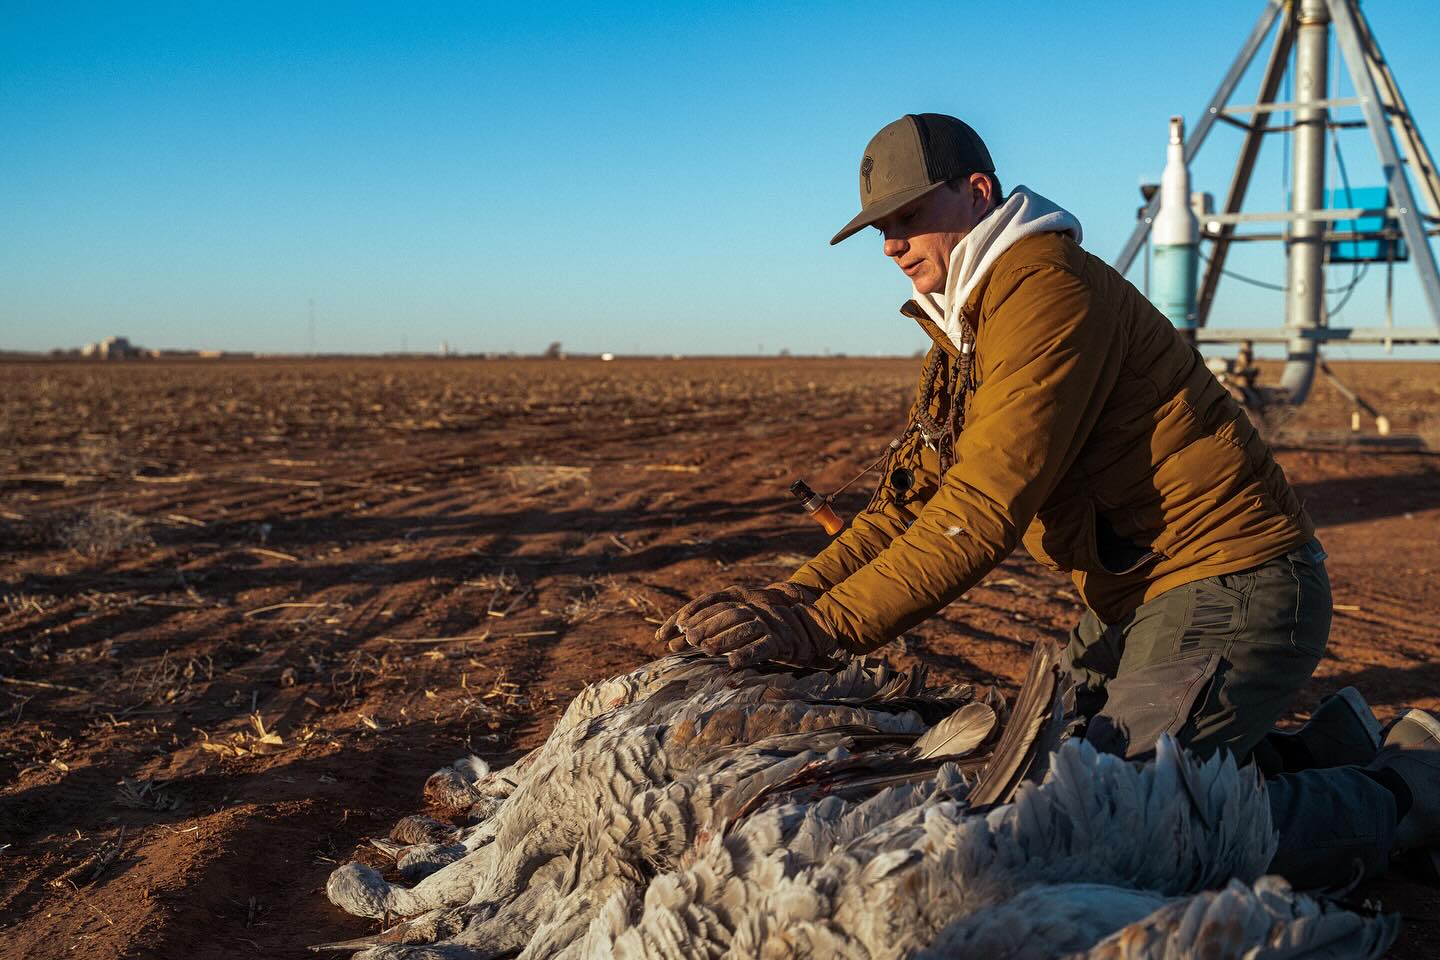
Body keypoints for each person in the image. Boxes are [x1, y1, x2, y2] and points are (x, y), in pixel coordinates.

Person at [659, 113, 1439, 887]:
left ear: (977, 192)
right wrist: (785, 599)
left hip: (1231, 583)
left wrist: (816, 628)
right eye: (880, 229)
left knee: (1105, 818)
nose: (891, 245)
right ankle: (1329, 751)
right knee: (1031, 763)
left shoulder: (1042, 291)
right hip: (1141, 599)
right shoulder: (968, 325)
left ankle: (1401, 795)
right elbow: (904, 510)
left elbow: (980, 508)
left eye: (908, 218)